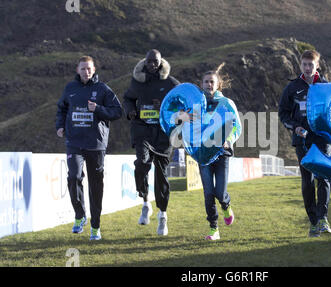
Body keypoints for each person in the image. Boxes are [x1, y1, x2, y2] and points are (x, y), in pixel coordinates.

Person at [56, 55, 122, 240]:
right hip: (74, 142)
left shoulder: (102, 89)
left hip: (95, 144)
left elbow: (118, 111)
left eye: (89, 69)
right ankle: (80, 215)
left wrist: (99, 109)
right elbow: (61, 109)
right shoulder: (70, 88)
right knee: (74, 176)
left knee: (96, 186)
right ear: (77, 70)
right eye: (82, 68)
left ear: (94, 70)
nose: (86, 72)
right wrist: (60, 126)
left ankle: (95, 227)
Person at [278, 50, 331, 238]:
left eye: (311, 65)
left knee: (324, 177)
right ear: (300, 65)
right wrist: (294, 127)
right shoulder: (292, 88)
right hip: (302, 139)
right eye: (304, 64)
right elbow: (283, 113)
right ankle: (313, 221)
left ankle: (323, 218)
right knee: (308, 181)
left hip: (323, 138)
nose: (307, 68)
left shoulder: (325, 86)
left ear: (317, 66)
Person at [177, 63, 242, 240]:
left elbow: (237, 126)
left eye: (212, 82)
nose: (209, 85)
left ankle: (226, 205)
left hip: (222, 154)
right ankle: (214, 229)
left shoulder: (227, 104)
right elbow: (178, 120)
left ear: (218, 84)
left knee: (220, 192)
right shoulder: (196, 106)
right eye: (206, 82)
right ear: (201, 84)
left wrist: (229, 140)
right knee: (208, 193)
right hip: (203, 155)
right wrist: (182, 117)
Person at [123, 49, 180, 235]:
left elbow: (181, 104)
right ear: (145, 62)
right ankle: (146, 203)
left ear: (161, 62)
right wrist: (130, 111)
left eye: (155, 62)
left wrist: (164, 105)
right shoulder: (138, 80)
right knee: (142, 164)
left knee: (162, 175)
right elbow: (128, 98)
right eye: (149, 62)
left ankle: (162, 216)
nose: (152, 65)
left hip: (164, 135)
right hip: (143, 131)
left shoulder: (170, 83)